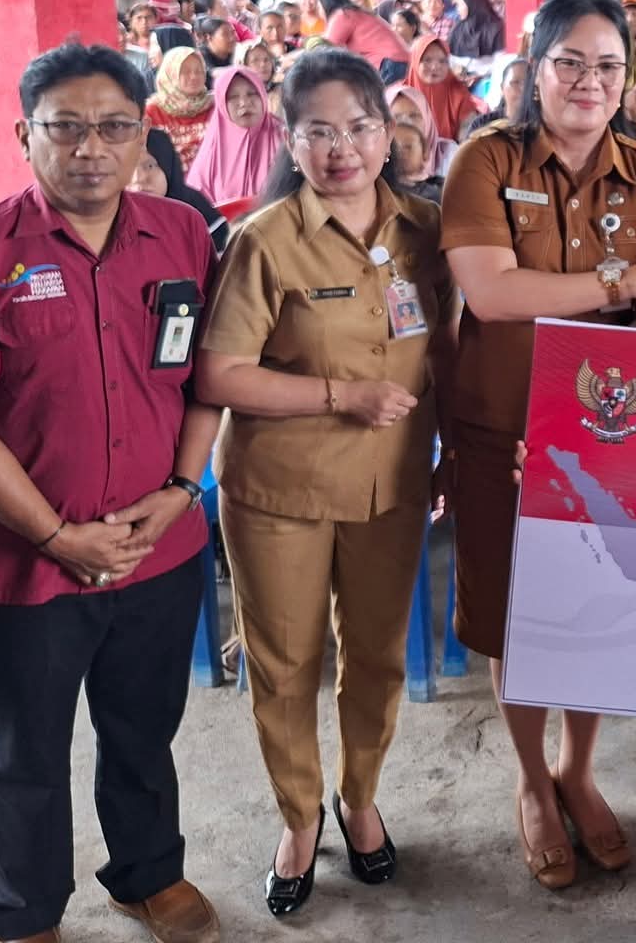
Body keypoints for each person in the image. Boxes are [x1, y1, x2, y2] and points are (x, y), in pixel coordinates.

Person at [0, 44, 223, 943]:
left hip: (159, 546)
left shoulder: (181, 234)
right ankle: (27, 912)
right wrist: (56, 536)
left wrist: (181, 489)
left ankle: (147, 874)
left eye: (114, 127)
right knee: (28, 751)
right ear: (23, 135)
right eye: (67, 128)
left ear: (142, 134)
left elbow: (202, 378)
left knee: (143, 728)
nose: (92, 148)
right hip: (30, 565)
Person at [439, 0, 636, 890]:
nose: (588, 82)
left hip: (605, 435)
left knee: (596, 611)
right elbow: (492, 293)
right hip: (497, 429)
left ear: (627, 78)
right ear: (536, 67)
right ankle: (531, 780)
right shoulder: (485, 160)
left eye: (607, 66)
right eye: (570, 63)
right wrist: (621, 280)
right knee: (513, 618)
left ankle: (578, 770)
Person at [193, 51, 448, 916]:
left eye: (360, 128)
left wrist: (455, 449)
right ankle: (299, 818)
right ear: (290, 139)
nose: (343, 149)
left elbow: (451, 348)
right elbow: (221, 373)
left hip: (391, 486)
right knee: (285, 663)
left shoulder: (425, 231)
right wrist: (342, 395)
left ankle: (359, 797)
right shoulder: (264, 241)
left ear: (388, 131)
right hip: (280, 493)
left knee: (375, 655)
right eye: (319, 132)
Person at [183, 65, 287, 207]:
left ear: (263, 95)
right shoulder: (211, 151)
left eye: (252, 94)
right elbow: (195, 206)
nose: (244, 103)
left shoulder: (285, 139)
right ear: (221, 104)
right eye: (233, 97)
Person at [132, 129, 229, 257]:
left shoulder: (196, 210)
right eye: (128, 167)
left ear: (168, 166)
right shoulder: (110, 218)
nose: (138, 178)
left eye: (150, 166)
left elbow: (224, 262)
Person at [318, 0, 411, 83]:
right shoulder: (357, 12)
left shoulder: (343, 15)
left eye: (319, 6)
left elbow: (324, 48)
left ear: (325, 5)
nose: (319, 11)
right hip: (401, 61)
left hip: (389, 64)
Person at [145, 46, 214, 173]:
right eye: (185, 71)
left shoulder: (214, 105)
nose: (194, 76)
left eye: (199, 71)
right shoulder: (151, 111)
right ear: (170, 73)